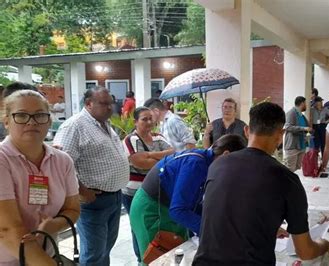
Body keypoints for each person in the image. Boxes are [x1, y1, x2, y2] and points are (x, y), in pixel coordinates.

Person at [194, 102, 329, 265]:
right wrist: (325, 244)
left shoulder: (217, 165)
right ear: (281, 135)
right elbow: (305, 251)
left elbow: (231, 210)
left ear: (246, 131)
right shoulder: (287, 179)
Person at [129, 134, 246, 261]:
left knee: (176, 257)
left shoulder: (208, 164)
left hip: (168, 207)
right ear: (226, 155)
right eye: (235, 165)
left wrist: (216, 224)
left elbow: (194, 204)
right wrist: (210, 231)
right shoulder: (196, 164)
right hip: (151, 208)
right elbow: (178, 210)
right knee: (157, 258)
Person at [0, 90, 80, 265]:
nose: (31, 122)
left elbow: (73, 209)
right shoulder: (2, 159)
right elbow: (6, 230)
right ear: (6, 121)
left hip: (47, 254)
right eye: (21, 115)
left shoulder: (62, 161)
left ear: (49, 121)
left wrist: (54, 225)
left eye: (39, 115)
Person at [53, 87, 129, 265]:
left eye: (111, 103)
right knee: (94, 253)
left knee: (105, 249)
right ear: (88, 104)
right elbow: (61, 166)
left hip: (114, 197)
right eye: (104, 103)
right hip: (93, 201)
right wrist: (82, 191)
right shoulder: (74, 126)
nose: (110, 108)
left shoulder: (105, 125)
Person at [122, 107, 174, 262]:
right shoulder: (131, 140)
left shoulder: (158, 137)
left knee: (155, 226)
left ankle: (156, 256)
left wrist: (150, 154)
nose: (149, 122)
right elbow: (140, 163)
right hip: (134, 193)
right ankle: (142, 259)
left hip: (157, 192)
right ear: (135, 122)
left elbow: (172, 154)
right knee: (138, 228)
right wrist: (160, 160)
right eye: (144, 119)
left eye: (151, 118)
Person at [283, 96, 312, 172]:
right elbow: (288, 127)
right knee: (290, 169)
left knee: (297, 167)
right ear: (302, 103)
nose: (306, 105)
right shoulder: (291, 113)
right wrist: (304, 128)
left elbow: (306, 127)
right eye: (305, 103)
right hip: (293, 146)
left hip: (301, 146)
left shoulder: (301, 115)